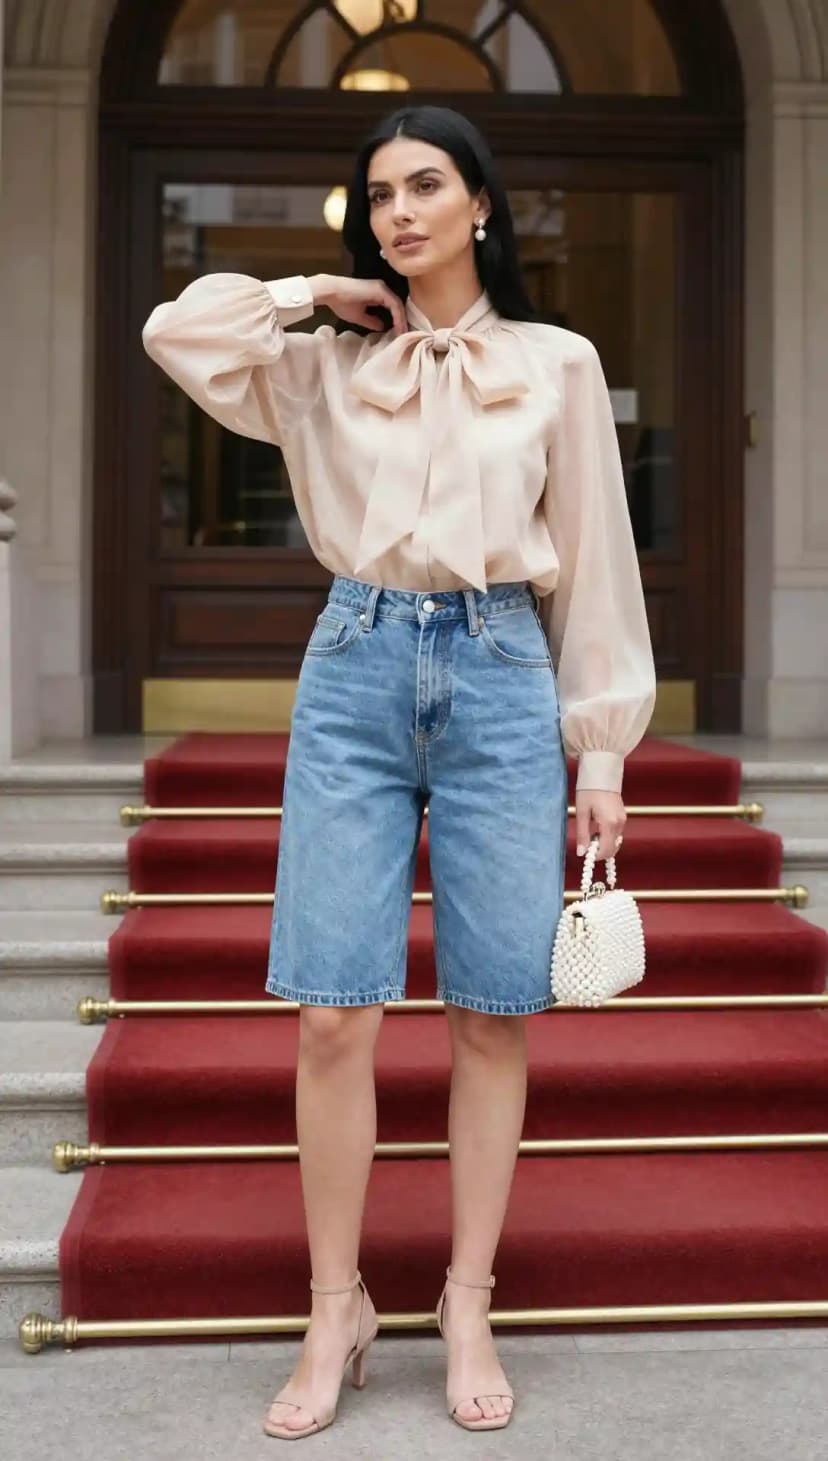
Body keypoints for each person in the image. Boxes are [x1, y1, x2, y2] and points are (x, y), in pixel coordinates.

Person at [142, 103, 656, 1441]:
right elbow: (176, 332)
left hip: (499, 677)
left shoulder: (554, 365)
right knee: (331, 1008)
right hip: (357, 667)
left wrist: (600, 747)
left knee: (491, 1008)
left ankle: (467, 1296)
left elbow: (597, 563)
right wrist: (316, 290)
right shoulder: (320, 368)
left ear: (481, 202)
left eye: (428, 185)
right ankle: (336, 1305)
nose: (402, 212)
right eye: (378, 195)